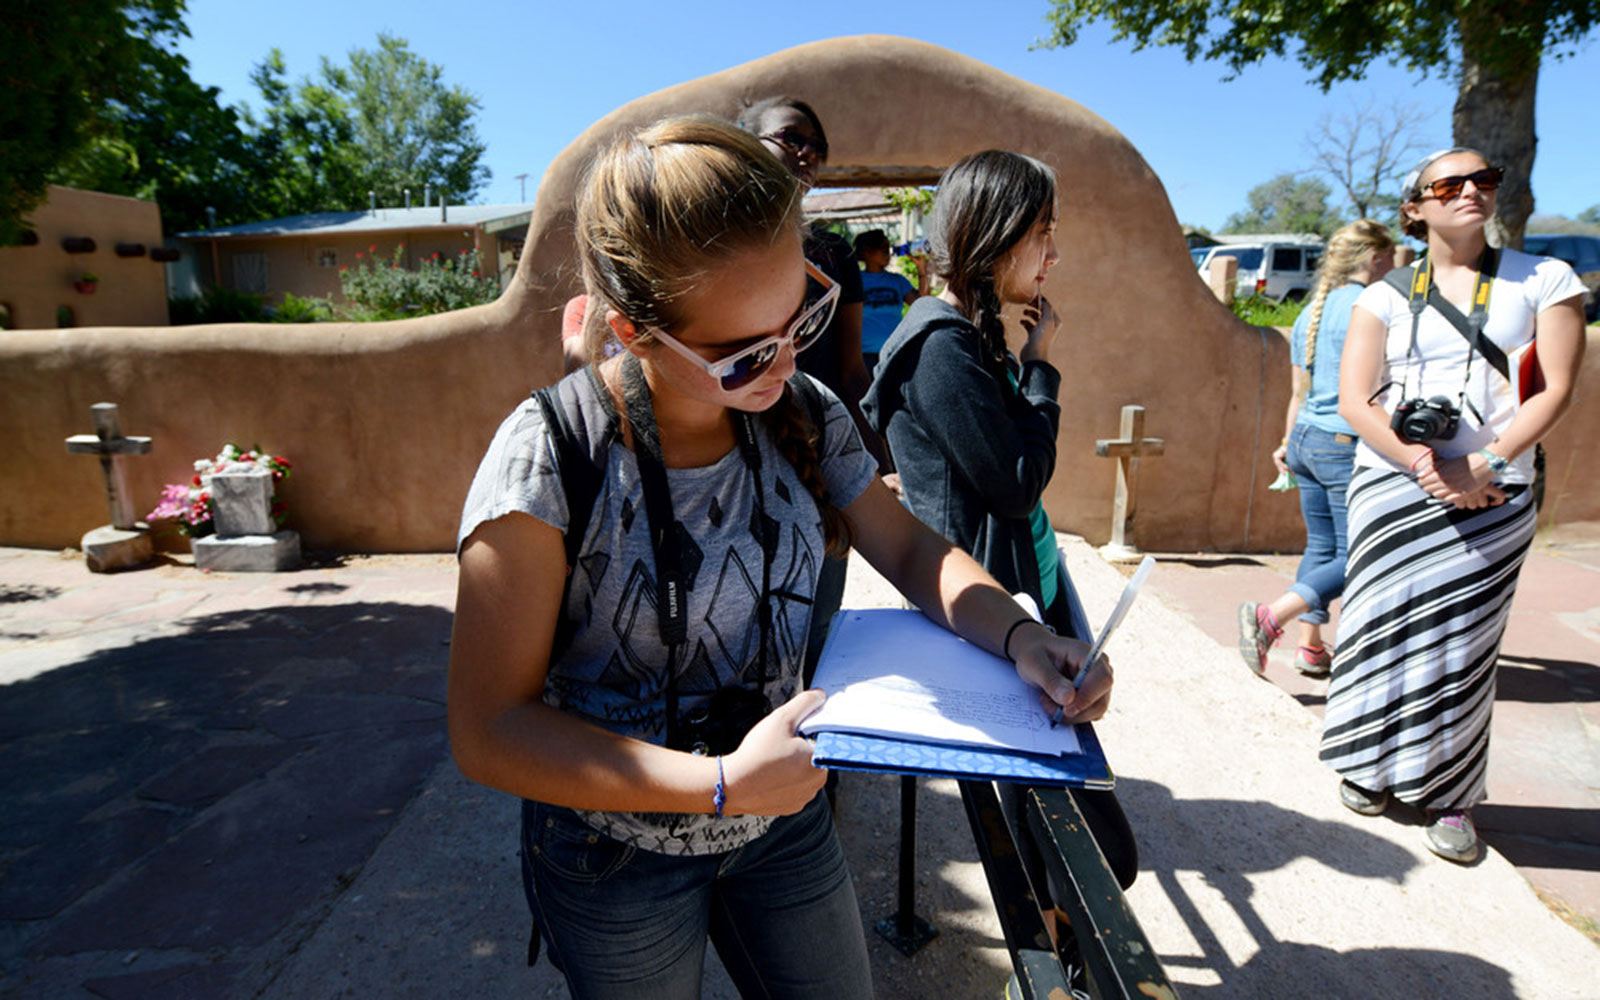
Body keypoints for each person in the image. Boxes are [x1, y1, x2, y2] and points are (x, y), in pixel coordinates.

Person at [448, 116, 1115, 1000]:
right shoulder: (551, 456)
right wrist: (719, 784)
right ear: (636, 333)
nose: (785, 361)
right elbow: (488, 727)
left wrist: (1021, 637)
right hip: (616, 854)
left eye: (799, 315)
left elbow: (910, 547)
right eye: (744, 351)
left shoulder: (801, 406)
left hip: (783, 822)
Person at [862, 150, 1138, 944]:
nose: (1054, 255)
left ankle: (1057, 937)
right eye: (1041, 234)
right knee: (1050, 826)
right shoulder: (940, 345)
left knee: (1062, 811)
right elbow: (1017, 479)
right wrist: (1042, 371)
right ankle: (1053, 950)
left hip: (1020, 588)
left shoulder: (969, 337)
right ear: (993, 234)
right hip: (986, 601)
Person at [1320, 148, 1586, 864]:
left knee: (1464, 645)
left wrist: (1485, 464)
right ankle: (1370, 764)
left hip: (1496, 490)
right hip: (1393, 485)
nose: (1470, 190)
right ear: (1415, 206)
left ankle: (1452, 794)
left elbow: (1554, 389)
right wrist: (1422, 462)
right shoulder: (1382, 295)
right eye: (1449, 183)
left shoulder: (1546, 278)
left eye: (1484, 180)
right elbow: (1355, 399)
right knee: (1381, 627)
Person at [735, 96, 883, 688]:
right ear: (747, 144)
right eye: (790, 138)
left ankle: (817, 764)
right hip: (735, 449)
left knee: (817, 626)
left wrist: (875, 456)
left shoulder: (833, 253)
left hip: (814, 448)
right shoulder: (716, 240)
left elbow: (850, 369)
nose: (806, 154)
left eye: (816, 148)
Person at [1237, 220, 1396, 678]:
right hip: (1345, 443)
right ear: (1373, 257)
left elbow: (1298, 392)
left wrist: (1287, 443)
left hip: (1307, 439)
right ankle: (1273, 617)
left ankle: (1310, 647)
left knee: (1322, 547)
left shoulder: (1313, 311)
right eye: (1388, 257)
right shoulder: (1372, 305)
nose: (1391, 266)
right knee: (1359, 552)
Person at [853, 228, 928, 373]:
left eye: (888, 248)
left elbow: (922, 303)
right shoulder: (855, 282)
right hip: (863, 356)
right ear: (867, 252)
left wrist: (921, 269)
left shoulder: (897, 281)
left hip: (894, 352)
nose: (888, 252)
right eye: (882, 248)